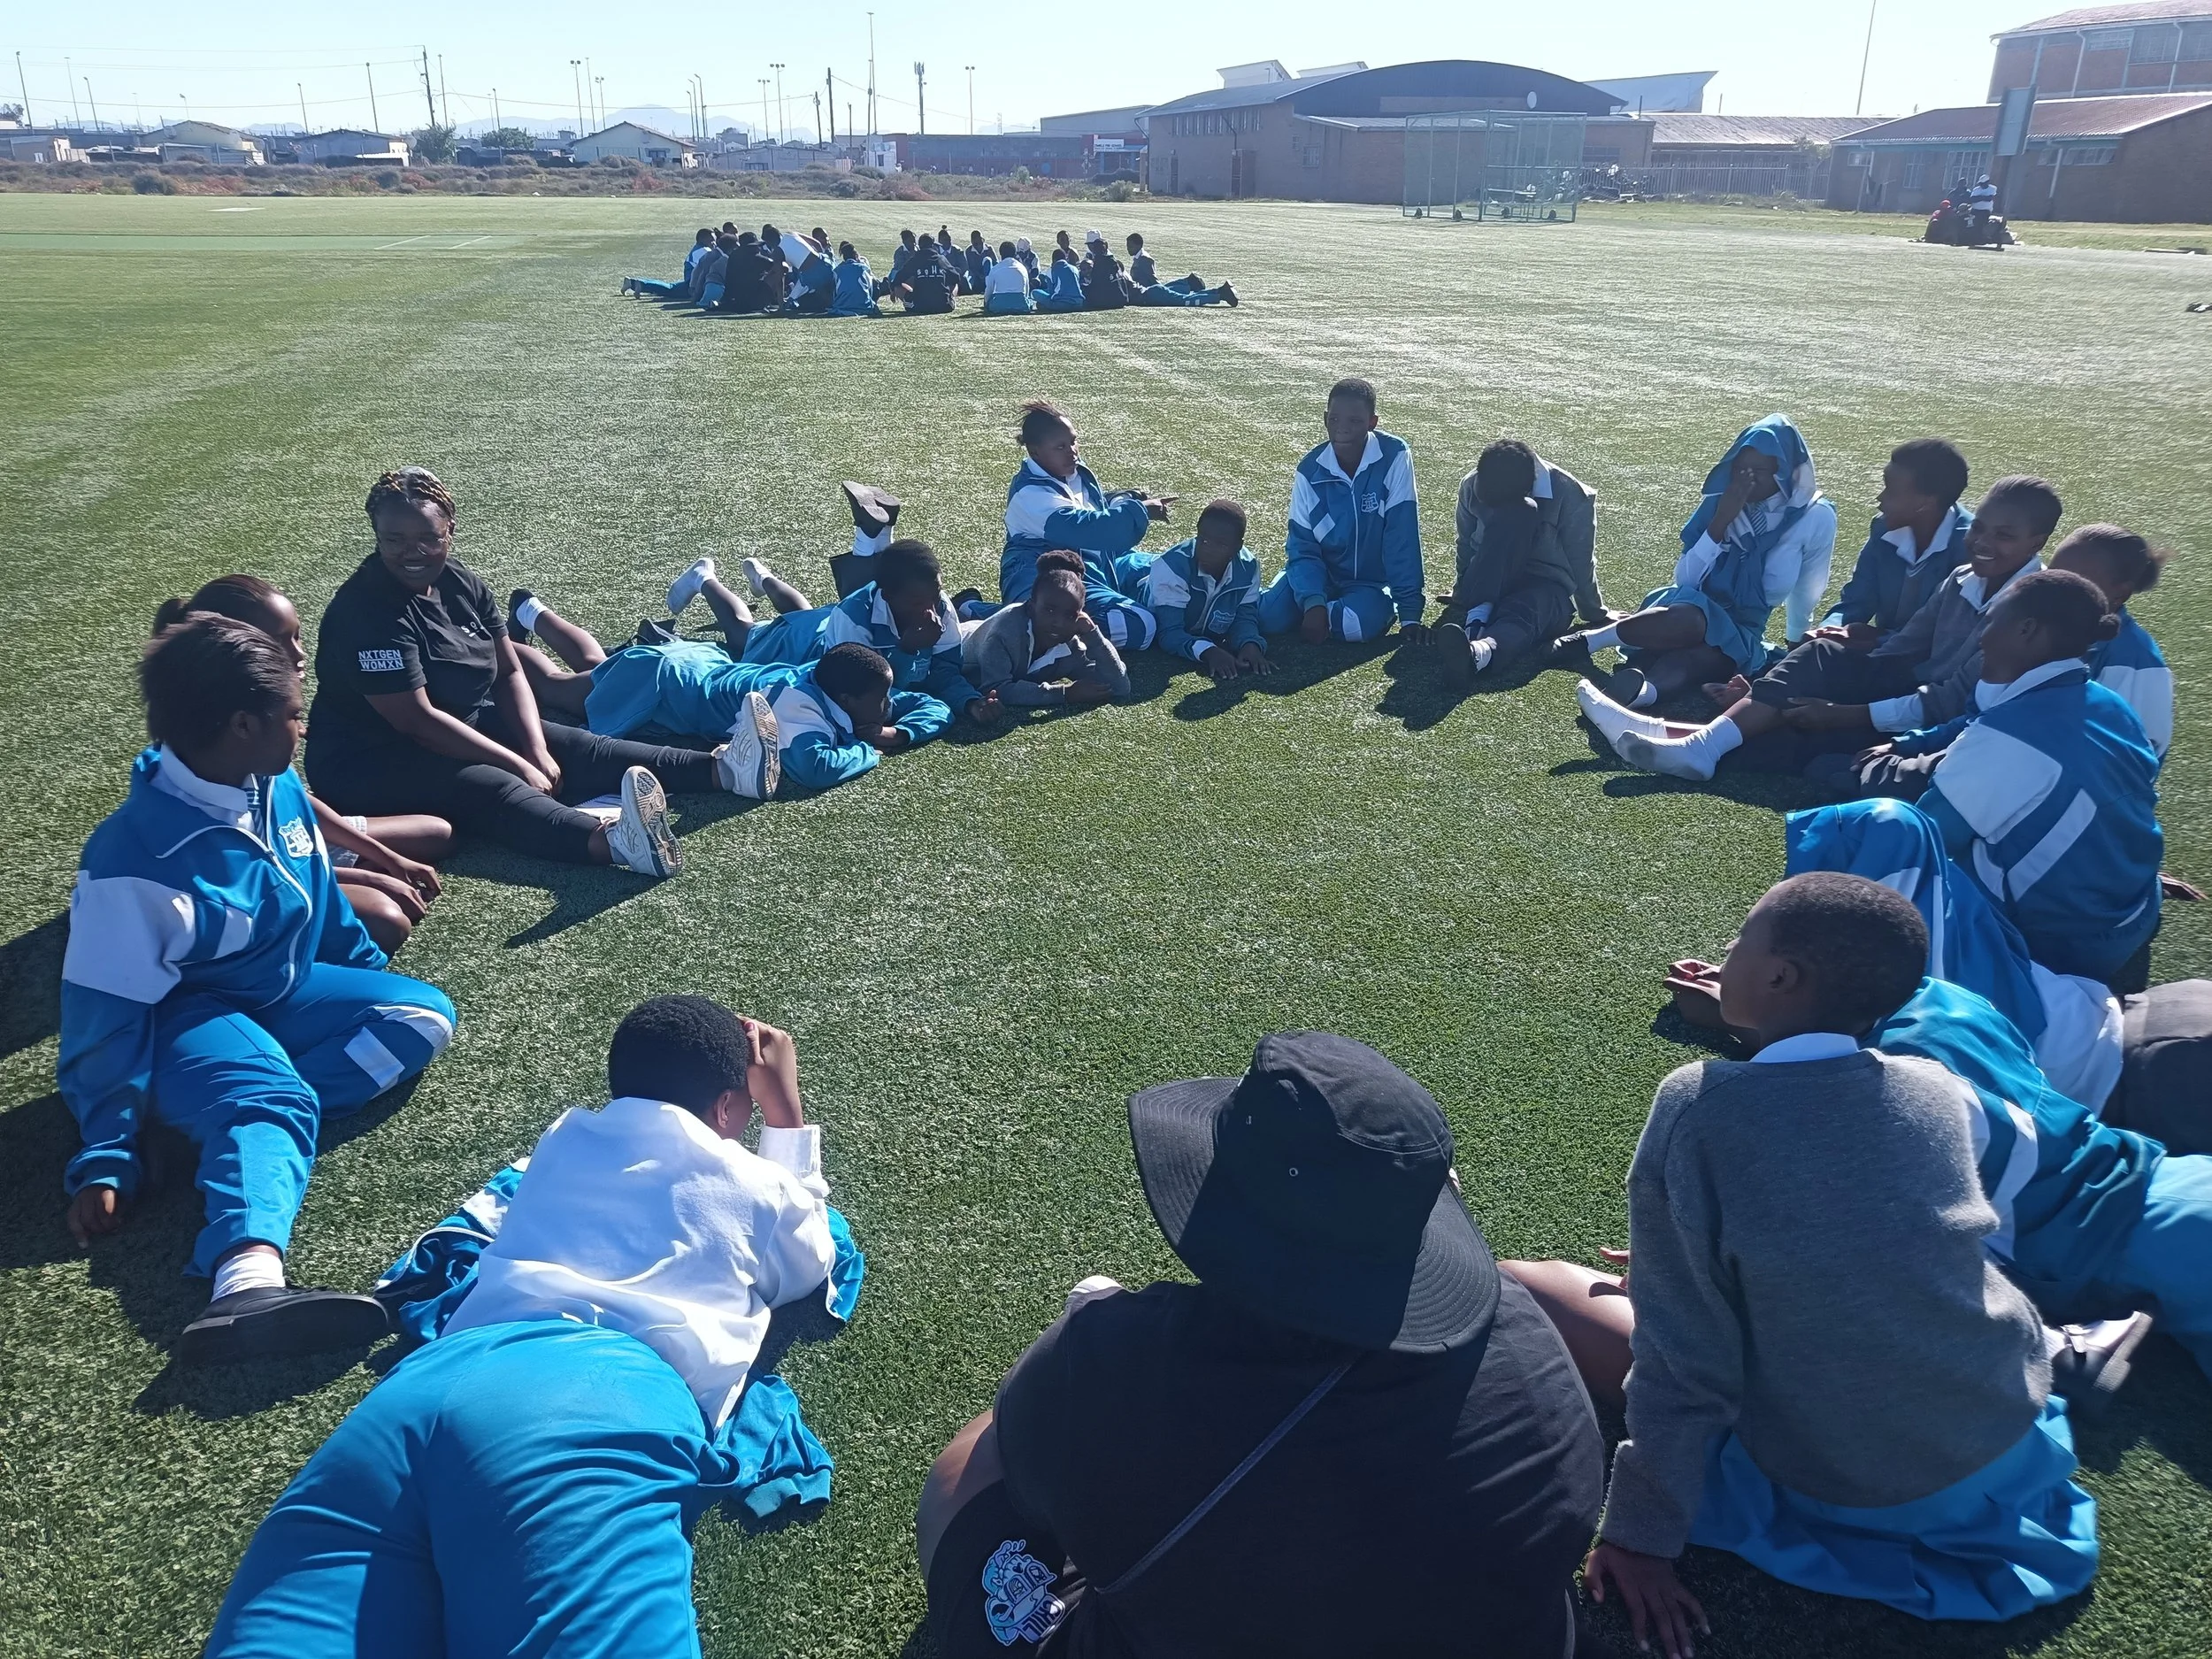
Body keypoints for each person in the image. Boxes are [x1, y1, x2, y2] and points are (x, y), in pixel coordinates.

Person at [1517, 875, 2094, 1655]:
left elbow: (1686, 1364)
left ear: (1781, 976)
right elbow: (1885, 1246)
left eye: (1740, 938)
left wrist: (1642, 1535)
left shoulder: (1697, 1104)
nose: (1725, 949)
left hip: (1866, 1485)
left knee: (1535, 1284)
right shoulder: (1931, 1087)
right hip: (2000, 1428)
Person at [915, 1031, 1606, 1658]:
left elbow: (1035, 1467)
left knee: (965, 1470)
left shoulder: (1114, 1362)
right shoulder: (1524, 1328)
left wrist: (1098, 1327)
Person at [204, 998, 841, 1657]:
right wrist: (786, 1115)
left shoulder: (564, 1134)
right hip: (591, 1402)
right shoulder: (757, 1185)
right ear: (729, 1106)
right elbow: (809, 1262)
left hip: (416, 1393)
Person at [63, 614, 457, 1364]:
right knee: (271, 1096)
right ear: (243, 724)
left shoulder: (268, 782)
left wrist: (365, 977)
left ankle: (213, 1130)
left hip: (278, 994)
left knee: (420, 1016)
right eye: (295, 713)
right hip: (179, 1020)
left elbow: (321, 903)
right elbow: (100, 1020)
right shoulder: (131, 858)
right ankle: (244, 1285)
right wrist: (105, 1154)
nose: (302, 729)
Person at [1663, 962, 2212, 1396]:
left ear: (1784, 978)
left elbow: (1850, 1237)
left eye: (1742, 952)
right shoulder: (1939, 998)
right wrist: (1757, 1012)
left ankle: (2052, 1348)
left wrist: (1701, 1269)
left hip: (2155, 1241)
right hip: (2166, 1178)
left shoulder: (1874, 1094)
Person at [303, 467, 701, 878]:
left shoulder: (459, 582)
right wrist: (518, 763)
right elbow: (417, 721)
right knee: (492, 785)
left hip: (460, 723)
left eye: (427, 537)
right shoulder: (365, 612)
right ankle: (619, 843)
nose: (413, 552)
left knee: (576, 746)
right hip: (370, 758)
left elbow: (509, 671)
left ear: (449, 530)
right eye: (394, 540)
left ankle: (722, 769)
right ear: (376, 534)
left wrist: (536, 750)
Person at [1578, 474, 2057, 784]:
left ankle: (1669, 733)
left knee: (1801, 741)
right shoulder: (1963, 577)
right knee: (1819, 660)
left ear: (2038, 542)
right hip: (1910, 687)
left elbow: (1950, 700)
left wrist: (1847, 713)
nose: (1984, 543)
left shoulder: (2027, 611)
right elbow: (1904, 646)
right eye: (1982, 529)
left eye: (2004, 536)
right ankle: (1683, 739)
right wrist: (1837, 644)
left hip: (1948, 727)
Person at [152, 576, 449, 956]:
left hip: (288, 843)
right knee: (386, 918)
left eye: (297, 636)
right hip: (250, 879)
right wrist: (365, 874)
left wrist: (385, 856)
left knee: (437, 832)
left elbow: (293, 797)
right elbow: (247, 870)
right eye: (279, 641)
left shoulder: (263, 715)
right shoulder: (216, 746)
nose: (297, 654)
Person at [1782, 797, 2126, 1110]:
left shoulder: (1914, 1004)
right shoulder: (1946, 902)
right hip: (2108, 1025)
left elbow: (1830, 1073)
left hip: (2116, 1071)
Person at [1911, 569, 2162, 987]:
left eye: (1992, 621)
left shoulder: (2009, 735)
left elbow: (1922, 840)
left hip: (2065, 949)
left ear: (2027, 629)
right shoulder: (2111, 704)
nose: (1981, 637)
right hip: (2136, 909)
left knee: (1890, 848)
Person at [1552, 414, 1837, 706]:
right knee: (1693, 619)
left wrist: (1797, 642)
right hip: (1684, 610)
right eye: (1740, 469)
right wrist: (1722, 520)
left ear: (1785, 471)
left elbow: (1809, 587)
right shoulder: (1721, 499)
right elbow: (1686, 580)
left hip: (1742, 628)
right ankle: (1590, 641)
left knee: (1701, 658)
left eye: (1759, 471)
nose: (1745, 479)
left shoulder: (1815, 516)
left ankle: (1639, 695)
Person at [728, 539, 994, 723]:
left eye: (935, 595)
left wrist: (971, 703)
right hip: (804, 646)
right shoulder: (853, 618)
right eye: (916, 602)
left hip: (827, 623)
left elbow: (945, 672)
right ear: (887, 595)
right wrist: (908, 650)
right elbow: (866, 690)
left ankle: (764, 580)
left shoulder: (941, 605)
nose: (930, 607)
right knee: (744, 633)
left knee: (802, 612)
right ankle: (704, 580)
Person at [1257, 377, 1427, 646]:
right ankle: (1313, 605)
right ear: (1325, 418)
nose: (1343, 429)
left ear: (1372, 422)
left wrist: (1410, 616)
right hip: (1320, 576)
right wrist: (1313, 601)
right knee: (1267, 620)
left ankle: (1357, 610)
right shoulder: (1309, 471)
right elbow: (1302, 547)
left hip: (1368, 584)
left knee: (1356, 626)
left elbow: (1402, 537)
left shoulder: (1394, 455)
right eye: (1334, 419)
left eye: (1355, 421)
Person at [1001, 400, 1170, 650]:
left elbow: (1094, 508)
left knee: (1171, 568)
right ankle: (984, 614)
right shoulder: (1030, 494)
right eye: (1060, 446)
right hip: (1044, 576)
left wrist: (1125, 498)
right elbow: (1089, 528)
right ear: (1035, 452)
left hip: (1095, 564)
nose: (1072, 451)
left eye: (1073, 441)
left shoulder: (1072, 471)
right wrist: (1141, 511)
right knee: (1140, 626)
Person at [1433, 439, 1585, 684]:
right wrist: (1462, 589)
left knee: (1523, 612)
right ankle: (1477, 622)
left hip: (1546, 586)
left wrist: (1594, 612)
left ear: (1529, 487)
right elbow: (1465, 542)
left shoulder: (1571, 493)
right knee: (1516, 514)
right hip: (1489, 577)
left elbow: (1581, 558)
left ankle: (1477, 652)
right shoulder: (1472, 484)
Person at [1814, 438, 1974, 641]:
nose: (1879, 498)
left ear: (1926, 502)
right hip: (1879, 650)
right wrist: (1828, 629)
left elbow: (1944, 634)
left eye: (1890, 489)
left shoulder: (1970, 547)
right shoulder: (1883, 530)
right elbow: (1856, 601)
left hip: (1932, 667)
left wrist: (1875, 639)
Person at [1113, 498, 1271, 680]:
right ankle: (1118, 500)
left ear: (1238, 546)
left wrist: (1249, 644)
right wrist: (1209, 651)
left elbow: (1245, 616)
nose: (1208, 549)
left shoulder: (1248, 567)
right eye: (1203, 540)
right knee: (1103, 559)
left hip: (1156, 566)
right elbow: (1169, 633)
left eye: (1221, 544)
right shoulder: (1171, 568)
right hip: (1132, 575)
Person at [2053, 524, 2173, 760]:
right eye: (2053, 574)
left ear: (2119, 594)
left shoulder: (2135, 661)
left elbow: (2136, 757)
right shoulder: (2046, 622)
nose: (2055, 587)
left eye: (2074, 580)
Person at [960, 551, 1132, 709]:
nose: (1058, 622)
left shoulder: (1070, 645)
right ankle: (963, 605)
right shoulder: (1004, 633)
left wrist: (1094, 636)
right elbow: (996, 688)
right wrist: (1065, 693)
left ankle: (968, 604)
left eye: (1070, 615)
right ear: (1031, 604)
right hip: (952, 645)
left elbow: (1119, 687)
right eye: (1049, 610)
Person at [624, 228, 714, 300]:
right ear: (703, 239)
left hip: (692, 278)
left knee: (671, 287)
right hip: (692, 281)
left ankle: (636, 283)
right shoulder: (703, 250)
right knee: (671, 289)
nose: (714, 243)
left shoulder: (699, 249)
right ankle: (640, 284)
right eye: (711, 240)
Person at [827, 241, 882, 317]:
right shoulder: (864, 268)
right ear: (855, 255)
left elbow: (834, 291)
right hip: (864, 306)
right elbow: (870, 288)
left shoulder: (837, 271)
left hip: (842, 306)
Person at [982, 241, 1035, 314]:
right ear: (1015, 253)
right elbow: (1026, 290)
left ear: (1000, 254)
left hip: (999, 305)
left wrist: (986, 303)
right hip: (1020, 304)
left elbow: (989, 290)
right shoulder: (1022, 268)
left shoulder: (995, 269)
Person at [1033, 248, 1087, 312]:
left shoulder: (1051, 270)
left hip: (1062, 304)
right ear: (1065, 258)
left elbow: (1051, 292)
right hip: (1079, 304)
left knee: (1035, 292)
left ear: (1054, 260)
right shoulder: (1074, 269)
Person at [964, 228, 992, 293]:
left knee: (987, 260)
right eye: (976, 243)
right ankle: (969, 289)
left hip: (988, 274)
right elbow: (971, 267)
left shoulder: (989, 249)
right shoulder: (969, 251)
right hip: (976, 275)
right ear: (972, 242)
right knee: (968, 274)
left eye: (980, 242)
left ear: (983, 240)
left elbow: (995, 263)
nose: (979, 245)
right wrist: (980, 275)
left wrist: (986, 275)